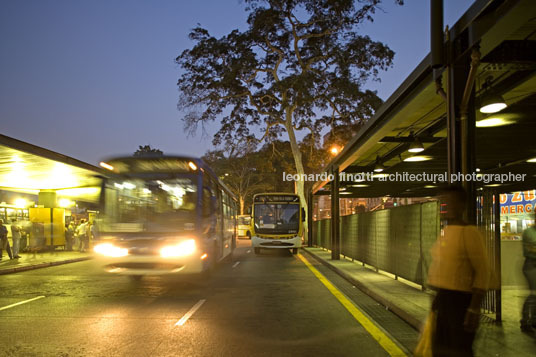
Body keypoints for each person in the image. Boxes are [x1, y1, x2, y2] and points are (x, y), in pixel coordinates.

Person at [426, 186, 491, 356]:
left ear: (462, 205)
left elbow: (483, 272)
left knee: (458, 350)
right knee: (441, 350)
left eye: (449, 201)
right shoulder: (446, 231)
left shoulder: (469, 233)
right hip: (444, 300)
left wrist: (474, 309)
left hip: (460, 302)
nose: (445, 206)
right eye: (443, 202)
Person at [520, 212, 536, 333]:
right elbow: (529, 249)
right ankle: (525, 320)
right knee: (534, 293)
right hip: (531, 264)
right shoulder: (528, 232)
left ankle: (533, 319)